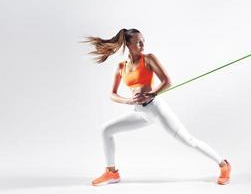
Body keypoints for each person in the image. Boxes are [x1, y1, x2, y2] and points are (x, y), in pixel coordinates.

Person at [83, 28, 231, 186]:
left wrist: (152, 93)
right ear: (128, 43)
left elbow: (167, 81)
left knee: (188, 140)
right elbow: (112, 94)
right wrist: (128, 101)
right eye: (138, 42)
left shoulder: (148, 59)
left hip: (156, 109)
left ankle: (223, 164)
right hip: (139, 112)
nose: (142, 44)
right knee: (106, 130)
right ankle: (111, 173)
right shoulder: (121, 67)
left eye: (143, 41)